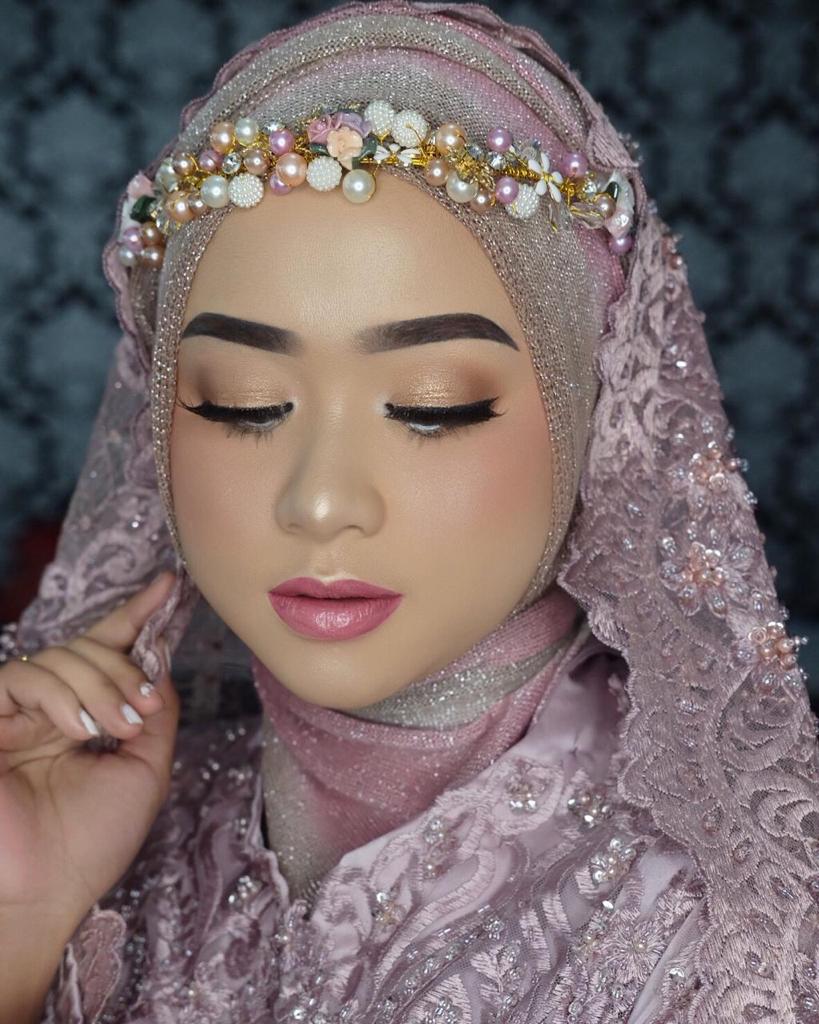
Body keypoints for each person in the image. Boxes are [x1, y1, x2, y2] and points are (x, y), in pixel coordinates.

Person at [1, 2, 816, 1021]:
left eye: (434, 406)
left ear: (593, 421)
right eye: (241, 405)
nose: (320, 501)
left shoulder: (735, 929)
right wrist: (22, 923)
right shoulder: (103, 818)